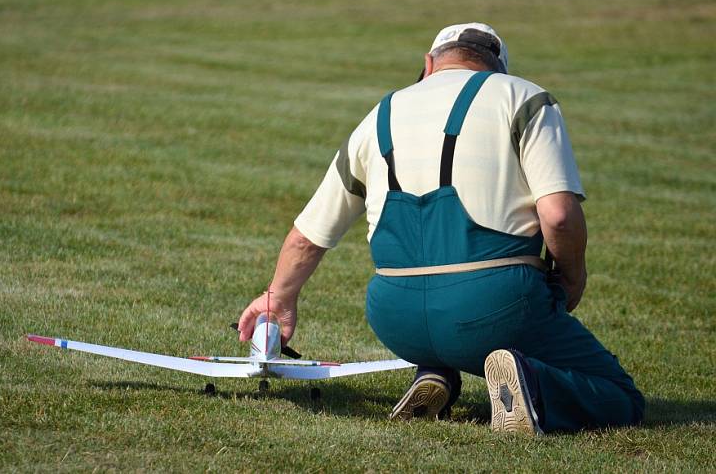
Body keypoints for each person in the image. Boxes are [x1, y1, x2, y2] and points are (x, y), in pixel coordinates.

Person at [237, 23, 644, 434]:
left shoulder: (380, 113)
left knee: (444, 317)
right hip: (496, 306)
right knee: (620, 394)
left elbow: (307, 236)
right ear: (496, 70)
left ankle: (434, 374)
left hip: (395, 317)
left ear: (428, 65)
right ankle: (532, 385)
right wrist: (573, 276)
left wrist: (278, 298)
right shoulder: (523, 97)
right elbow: (558, 215)